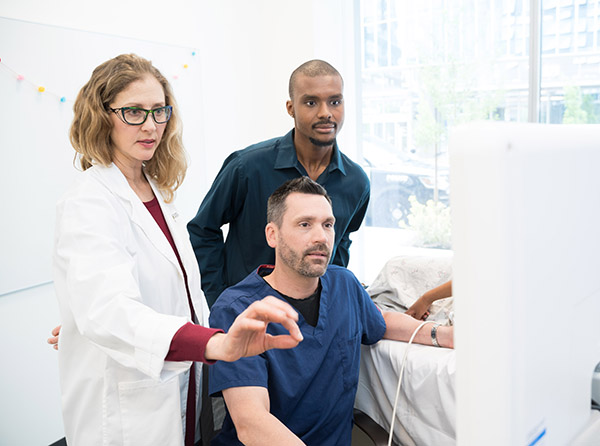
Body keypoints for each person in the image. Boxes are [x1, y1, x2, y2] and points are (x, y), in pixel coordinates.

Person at [52, 54, 303, 446]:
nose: (150, 125)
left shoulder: (155, 190)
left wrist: (82, 319)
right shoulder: (89, 201)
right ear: (102, 116)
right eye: (133, 112)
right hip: (126, 408)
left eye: (158, 111)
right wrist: (213, 343)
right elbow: (108, 311)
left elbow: (164, 292)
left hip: (178, 386)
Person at [208, 177, 454, 446]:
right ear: (272, 235)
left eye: (328, 225)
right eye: (305, 224)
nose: (321, 237)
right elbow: (251, 424)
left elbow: (380, 321)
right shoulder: (238, 309)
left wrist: (442, 335)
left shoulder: (343, 283)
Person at [187, 59, 370, 308]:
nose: (326, 112)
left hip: (314, 317)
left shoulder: (356, 182)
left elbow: (341, 245)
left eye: (335, 101)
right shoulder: (246, 167)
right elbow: (203, 230)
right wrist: (219, 298)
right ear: (291, 108)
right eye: (311, 102)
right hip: (248, 313)